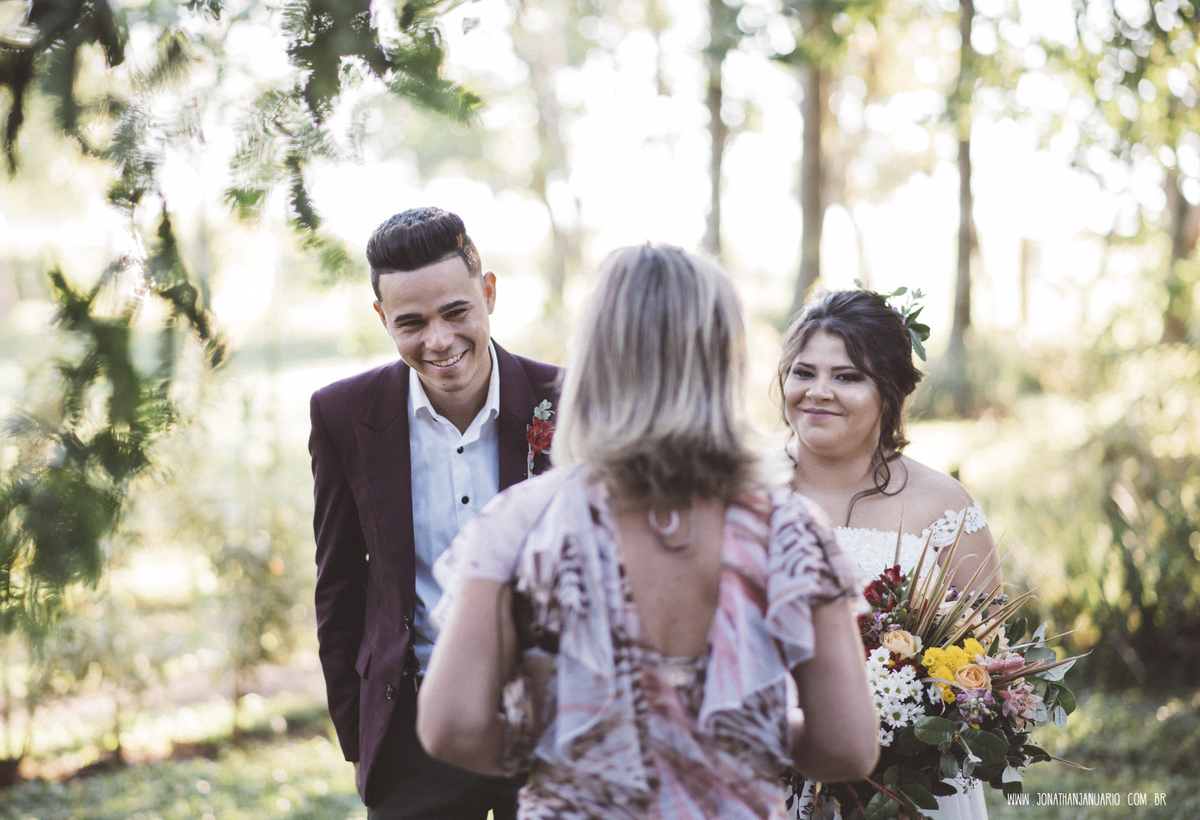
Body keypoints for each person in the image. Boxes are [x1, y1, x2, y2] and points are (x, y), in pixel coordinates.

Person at [417, 244, 880, 819]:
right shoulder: (788, 530)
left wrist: (569, 744)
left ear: (595, 360)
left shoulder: (522, 521)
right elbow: (848, 746)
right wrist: (732, 738)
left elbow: (450, 728)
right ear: (721, 362)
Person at [308, 206, 562, 819]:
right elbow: (338, 583)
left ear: (489, 292)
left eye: (456, 312)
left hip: (555, 720)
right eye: (411, 323)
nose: (440, 341)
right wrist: (362, 734)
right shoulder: (344, 415)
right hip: (412, 733)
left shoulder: (568, 400)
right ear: (382, 319)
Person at [778, 288, 1002, 820]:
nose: (818, 392)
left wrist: (911, 738)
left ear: (890, 390)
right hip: (768, 777)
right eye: (803, 373)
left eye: (847, 376)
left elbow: (990, 665)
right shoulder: (743, 494)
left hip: (907, 793)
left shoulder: (944, 504)